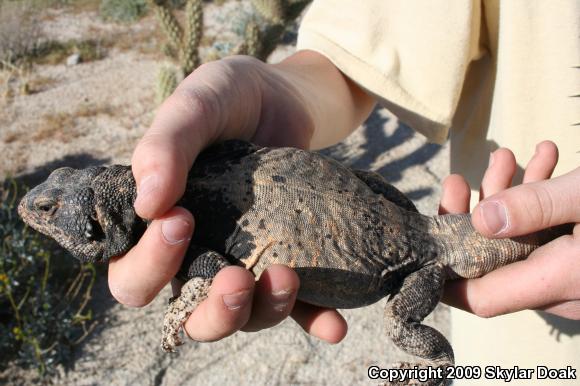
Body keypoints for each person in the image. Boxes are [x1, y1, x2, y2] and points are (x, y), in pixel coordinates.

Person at [108, 0, 579, 376]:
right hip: (499, 338)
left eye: (49, 209)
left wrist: (178, 311)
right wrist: (269, 92)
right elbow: (353, 59)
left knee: (401, 326)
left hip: (431, 255)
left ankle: (439, 367)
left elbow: (205, 271)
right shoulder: (197, 173)